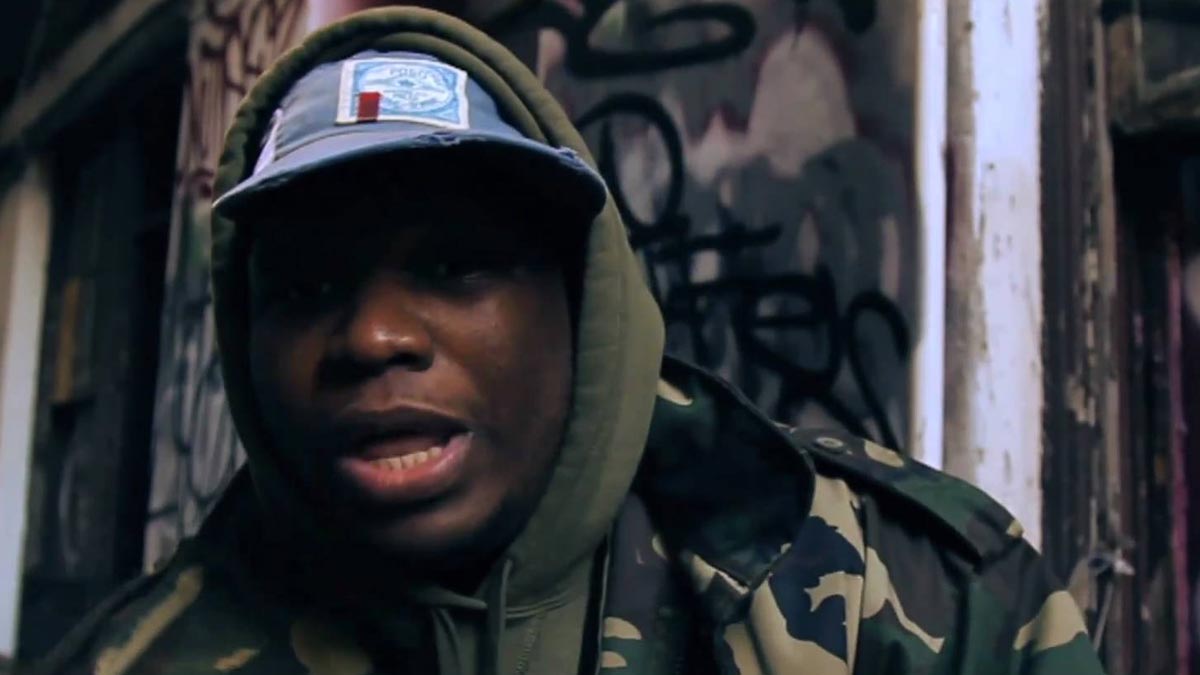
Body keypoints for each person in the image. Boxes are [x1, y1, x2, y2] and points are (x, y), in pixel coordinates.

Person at [38, 7, 1107, 675]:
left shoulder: (913, 601)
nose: (370, 335)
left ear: (580, 301)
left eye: (456, 265)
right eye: (306, 286)